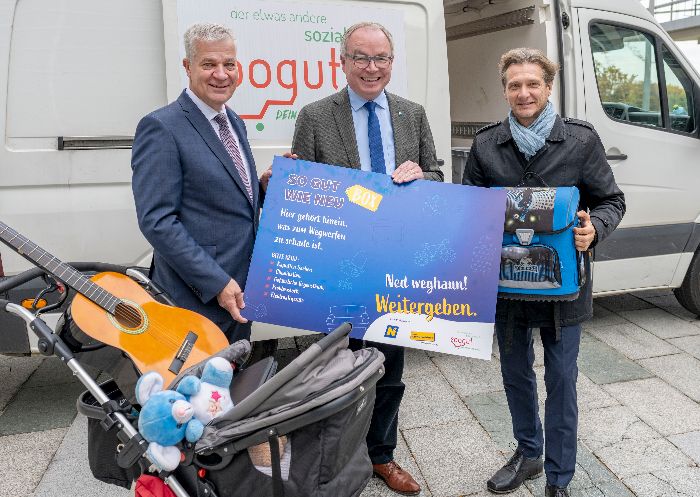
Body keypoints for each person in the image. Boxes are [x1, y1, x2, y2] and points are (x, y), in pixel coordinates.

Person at [286, 21, 443, 496]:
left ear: (392, 63)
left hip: (394, 263)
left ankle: (381, 456)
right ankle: (332, 462)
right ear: (343, 61)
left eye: (380, 58)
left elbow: (438, 175)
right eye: (361, 57)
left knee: (389, 368)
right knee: (334, 368)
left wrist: (423, 176)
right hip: (338, 267)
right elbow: (301, 190)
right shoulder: (315, 116)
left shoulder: (413, 114)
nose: (371, 68)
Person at [462, 48, 625, 497]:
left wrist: (595, 229)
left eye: (533, 83)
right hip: (507, 287)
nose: (523, 92)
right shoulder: (486, 144)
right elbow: (469, 208)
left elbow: (612, 200)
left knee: (561, 381)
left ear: (548, 87)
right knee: (515, 375)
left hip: (564, 288)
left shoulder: (580, 141)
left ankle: (559, 478)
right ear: (505, 90)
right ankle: (528, 453)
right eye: (514, 85)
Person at [131, 23, 260, 344]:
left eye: (229, 64)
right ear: (188, 67)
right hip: (196, 299)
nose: (221, 74)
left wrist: (263, 187)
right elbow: (157, 222)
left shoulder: (234, 122)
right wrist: (217, 282)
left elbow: (225, 198)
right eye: (209, 64)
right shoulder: (161, 127)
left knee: (232, 389)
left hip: (240, 292)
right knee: (192, 391)